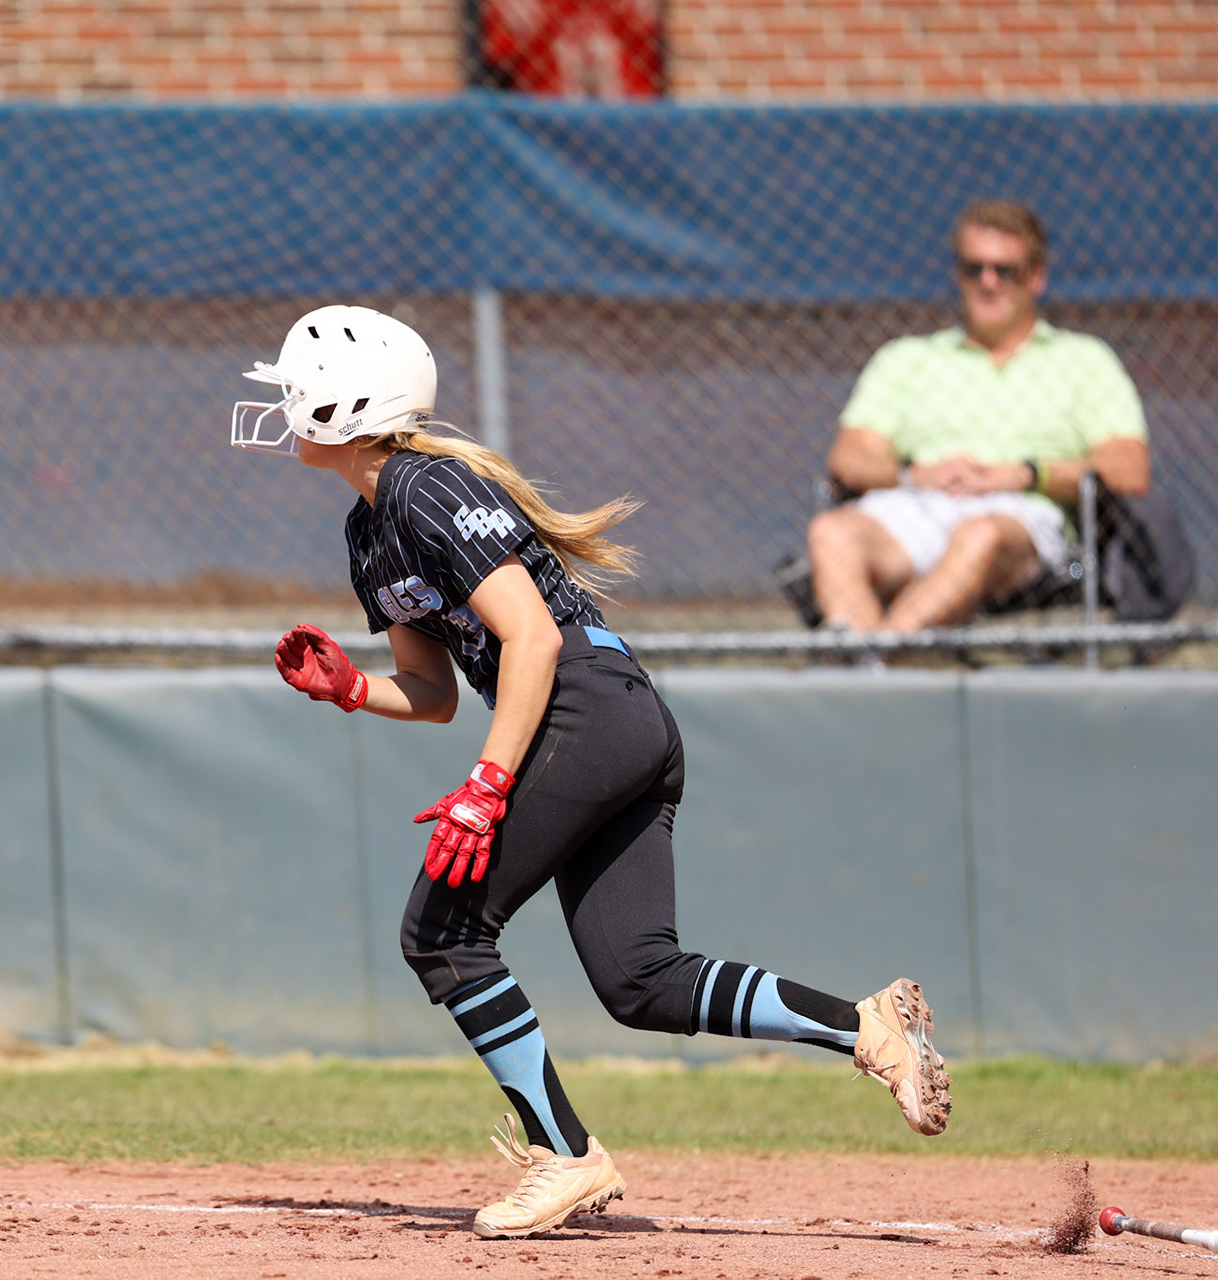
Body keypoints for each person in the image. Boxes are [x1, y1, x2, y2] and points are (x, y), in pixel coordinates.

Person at [231, 304, 953, 1240]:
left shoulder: (423, 487)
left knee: (443, 931)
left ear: (345, 405)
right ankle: (867, 1028)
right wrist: (348, 689)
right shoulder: (369, 531)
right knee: (641, 982)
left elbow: (531, 637)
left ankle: (564, 1155)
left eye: (297, 387)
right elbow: (434, 690)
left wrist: (487, 787)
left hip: (590, 707)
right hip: (609, 714)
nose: (284, 405)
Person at [806, 199, 1151, 632]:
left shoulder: (1085, 361)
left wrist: (1025, 475)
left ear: (1036, 277)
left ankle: (873, 668)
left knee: (978, 533)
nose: (989, 283)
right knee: (831, 534)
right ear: (958, 275)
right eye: (974, 269)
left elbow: (1128, 468)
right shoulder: (905, 359)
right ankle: (878, 670)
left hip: (1024, 523)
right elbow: (849, 458)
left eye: (1006, 271)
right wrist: (916, 475)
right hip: (916, 505)